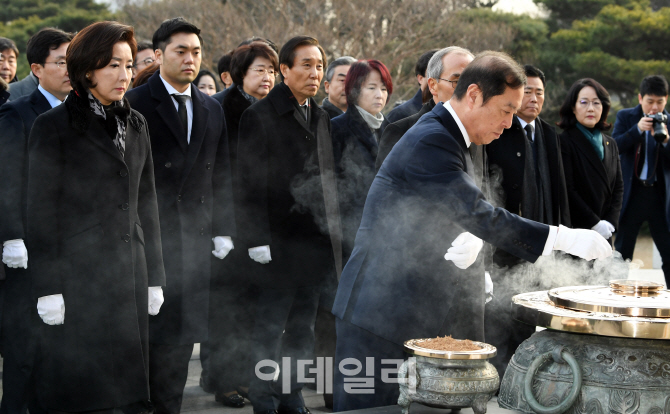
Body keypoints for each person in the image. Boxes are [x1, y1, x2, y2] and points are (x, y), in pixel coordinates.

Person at [331, 51, 613, 412]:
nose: (511, 123)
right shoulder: (433, 139)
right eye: (507, 109)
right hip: (378, 312)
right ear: (476, 95)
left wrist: (470, 241)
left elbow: (444, 208)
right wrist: (564, 237)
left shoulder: (452, 136)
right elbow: (480, 213)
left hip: (406, 307)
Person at [25, 21, 165, 413]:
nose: (125, 75)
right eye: (113, 66)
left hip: (131, 270)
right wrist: (48, 287)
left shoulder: (136, 123)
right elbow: (40, 210)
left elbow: (147, 202)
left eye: (127, 65)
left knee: (131, 387)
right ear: (88, 70)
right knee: (84, 389)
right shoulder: (52, 126)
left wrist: (155, 275)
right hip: (80, 274)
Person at [125, 17, 236, 414]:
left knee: (182, 334)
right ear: (158, 55)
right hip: (146, 237)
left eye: (196, 52)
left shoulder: (211, 107)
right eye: (180, 51)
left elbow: (221, 172)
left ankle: (169, 407)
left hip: (195, 238)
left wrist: (224, 229)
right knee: (146, 333)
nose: (190, 60)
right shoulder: (134, 103)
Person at [236, 35, 342, 414]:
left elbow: (327, 181)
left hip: (312, 243)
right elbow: (246, 185)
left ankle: (291, 393)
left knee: (303, 329)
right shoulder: (259, 116)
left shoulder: (322, 115)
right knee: (268, 327)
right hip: (275, 244)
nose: (315, 73)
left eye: (319, 66)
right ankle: (263, 398)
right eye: (306, 65)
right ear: (284, 70)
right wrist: (255, 239)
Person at [0, 27, 73, 414]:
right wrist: (12, 237)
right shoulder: (17, 112)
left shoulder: (81, 113)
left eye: (72, 61)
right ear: (36, 69)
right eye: (60, 62)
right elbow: (7, 181)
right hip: (28, 251)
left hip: (71, 248)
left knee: (59, 353)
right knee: (23, 351)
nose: (69, 69)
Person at [483, 64, 571, 380]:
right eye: (529, 92)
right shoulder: (498, 131)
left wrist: (565, 238)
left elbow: (559, 190)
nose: (534, 99)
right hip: (507, 242)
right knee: (503, 311)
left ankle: (524, 374)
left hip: (544, 240)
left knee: (533, 309)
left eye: (540, 93)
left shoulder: (549, 133)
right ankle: (497, 375)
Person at [205, 40, 278, 408]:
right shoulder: (219, 108)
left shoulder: (273, 110)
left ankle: (250, 376)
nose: (267, 77)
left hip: (264, 222)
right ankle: (223, 380)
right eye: (259, 70)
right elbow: (215, 172)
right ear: (239, 74)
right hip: (229, 223)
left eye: (271, 70)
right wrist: (221, 226)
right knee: (227, 308)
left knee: (256, 309)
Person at [376, 46, 473, 171]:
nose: (468, 91)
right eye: (457, 81)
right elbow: (387, 186)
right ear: (433, 85)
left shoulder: (479, 131)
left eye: (473, 83)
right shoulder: (402, 129)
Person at [612, 75, 670, 284]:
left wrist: (665, 141)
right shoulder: (626, 116)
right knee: (621, 255)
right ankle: (615, 301)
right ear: (640, 98)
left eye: (660, 102)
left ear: (666, 99)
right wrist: (637, 130)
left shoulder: (669, 122)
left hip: (660, 197)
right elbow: (614, 146)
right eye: (650, 101)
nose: (655, 108)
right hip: (633, 194)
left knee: (668, 254)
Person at [332, 59, 392, 257]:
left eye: (383, 89)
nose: (379, 95)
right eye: (372, 87)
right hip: (352, 231)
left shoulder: (389, 129)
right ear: (354, 90)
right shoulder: (336, 128)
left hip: (388, 230)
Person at [557, 78, 623, 241]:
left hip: (605, 230)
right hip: (578, 231)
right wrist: (594, 222)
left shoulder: (610, 143)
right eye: (584, 102)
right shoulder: (564, 142)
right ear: (573, 107)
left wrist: (610, 221)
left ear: (604, 107)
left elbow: (618, 187)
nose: (590, 109)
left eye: (596, 103)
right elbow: (567, 188)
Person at [378, 49, 436, 134]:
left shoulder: (454, 113)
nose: (440, 80)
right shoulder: (400, 115)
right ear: (420, 79)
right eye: (435, 74)